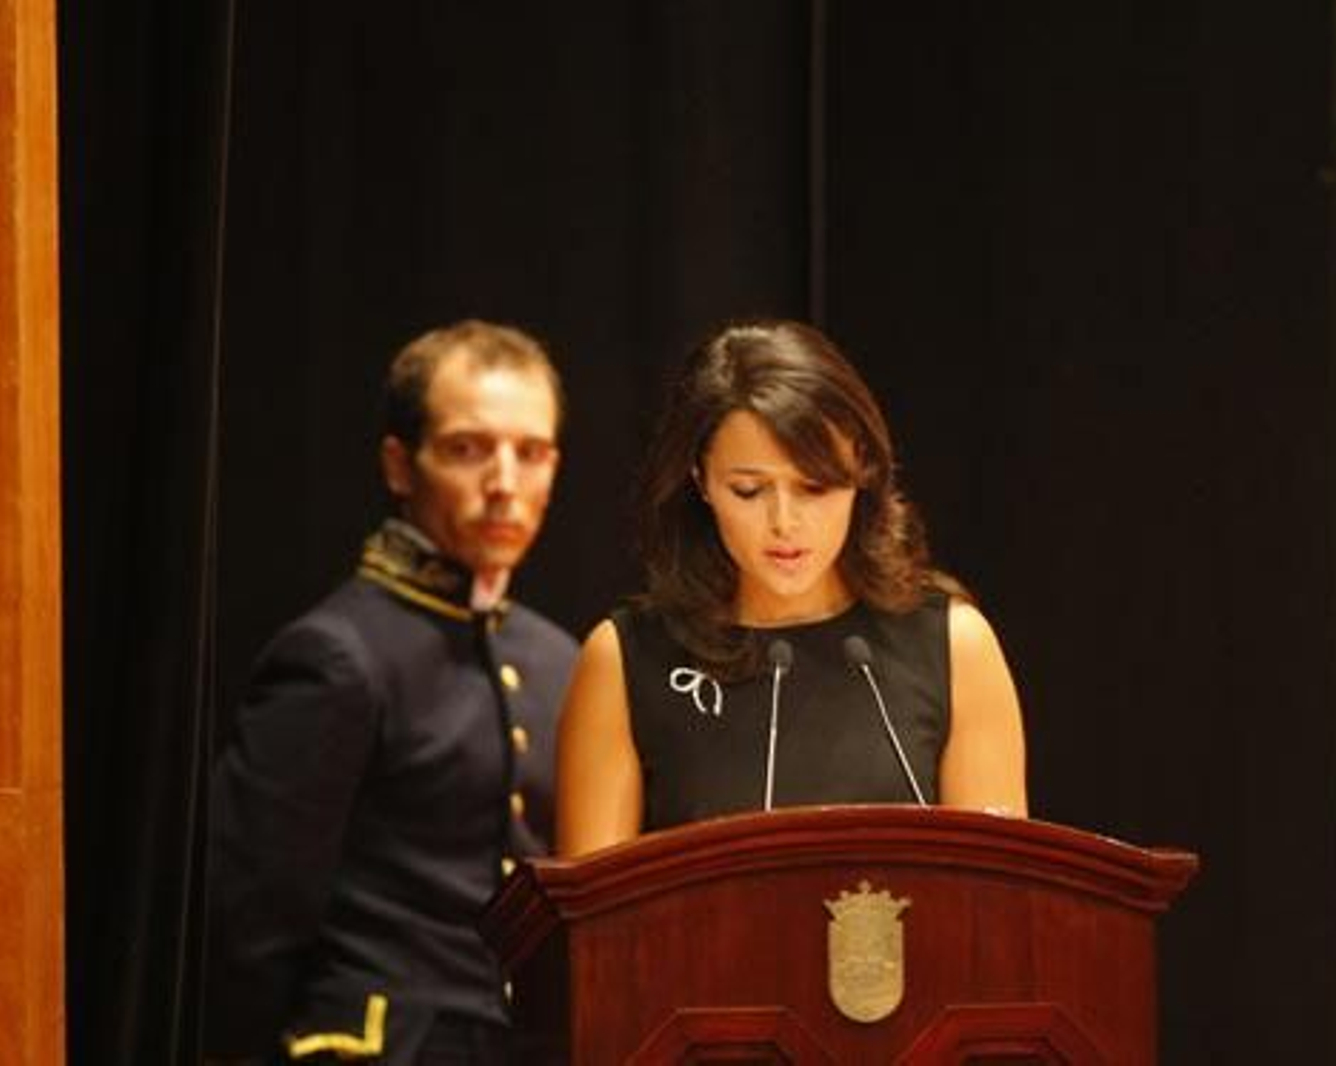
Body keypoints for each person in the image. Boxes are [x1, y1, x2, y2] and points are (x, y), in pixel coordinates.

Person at [206, 320, 579, 1064]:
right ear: (399, 465)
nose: (505, 483)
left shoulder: (560, 657)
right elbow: (249, 928)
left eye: (530, 453)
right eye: (468, 449)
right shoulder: (338, 656)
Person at [556, 318, 1027, 857]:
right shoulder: (625, 661)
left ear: (864, 471)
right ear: (699, 480)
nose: (785, 522)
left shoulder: (953, 647)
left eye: (815, 487)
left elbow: (997, 911)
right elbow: (594, 927)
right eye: (749, 490)